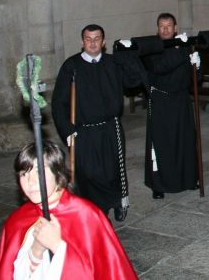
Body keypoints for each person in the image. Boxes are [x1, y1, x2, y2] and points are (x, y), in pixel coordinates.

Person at [0, 142, 138, 279]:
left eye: (39, 171)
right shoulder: (17, 221)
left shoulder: (87, 216)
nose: (31, 181)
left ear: (58, 174)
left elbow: (100, 273)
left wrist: (58, 246)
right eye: (24, 174)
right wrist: (36, 251)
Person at [51, 24, 146, 221]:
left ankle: (118, 201)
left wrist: (129, 55)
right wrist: (67, 130)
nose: (92, 42)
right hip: (83, 131)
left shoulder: (113, 63)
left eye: (97, 39)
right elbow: (59, 103)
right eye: (88, 38)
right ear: (81, 41)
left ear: (103, 42)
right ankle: (96, 208)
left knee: (113, 171)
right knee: (89, 173)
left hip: (111, 128)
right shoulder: (72, 66)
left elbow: (133, 82)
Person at [142, 13, 199, 199]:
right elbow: (161, 67)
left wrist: (197, 66)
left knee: (184, 140)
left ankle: (188, 179)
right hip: (161, 101)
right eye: (161, 26)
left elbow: (195, 80)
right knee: (161, 143)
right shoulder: (152, 49)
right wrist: (181, 51)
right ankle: (158, 184)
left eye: (169, 26)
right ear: (157, 29)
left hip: (181, 99)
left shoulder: (185, 47)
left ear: (175, 27)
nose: (165, 29)